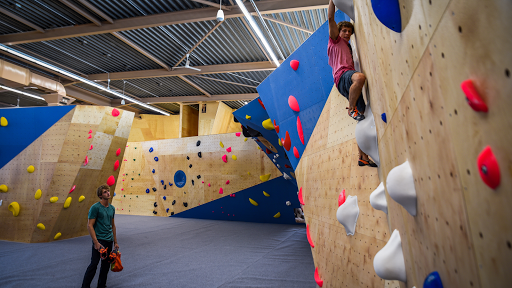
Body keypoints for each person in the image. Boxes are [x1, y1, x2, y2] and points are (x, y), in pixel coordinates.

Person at [328, 0, 377, 168]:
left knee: (362, 119)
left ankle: (362, 157)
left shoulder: (348, 46)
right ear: (338, 31)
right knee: (360, 78)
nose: (347, 33)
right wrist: (332, 2)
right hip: (342, 77)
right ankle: (352, 108)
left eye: (349, 31)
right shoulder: (335, 40)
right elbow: (330, 19)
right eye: (344, 30)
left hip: (346, 79)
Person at [82, 184, 119, 288]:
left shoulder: (112, 208)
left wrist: (115, 242)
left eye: (108, 191)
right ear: (100, 196)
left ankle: (101, 285)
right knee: (94, 264)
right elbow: (90, 225)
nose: (108, 193)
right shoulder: (95, 208)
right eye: (105, 192)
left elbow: (113, 226)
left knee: (106, 265)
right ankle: (85, 286)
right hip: (99, 241)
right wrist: (96, 242)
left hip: (109, 240)